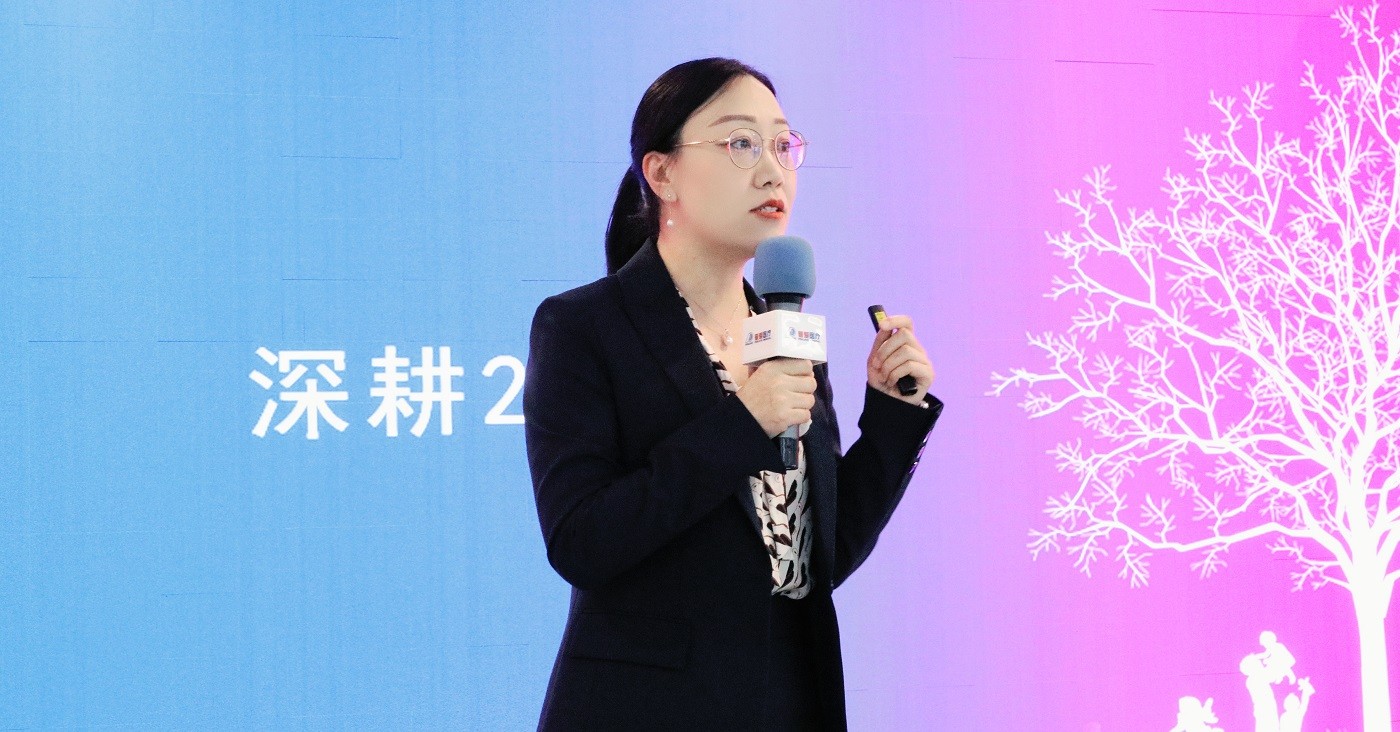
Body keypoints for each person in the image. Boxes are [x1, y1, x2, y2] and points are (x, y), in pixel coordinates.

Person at [524, 57, 942, 731]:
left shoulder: (785, 332)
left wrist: (894, 415)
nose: (773, 171)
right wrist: (742, 423)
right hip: (648, 711)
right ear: (662, 174)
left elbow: (815, 556)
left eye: (782, 144)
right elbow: (581, 541)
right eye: (741, 143)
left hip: (788, 699)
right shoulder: (584, 326)